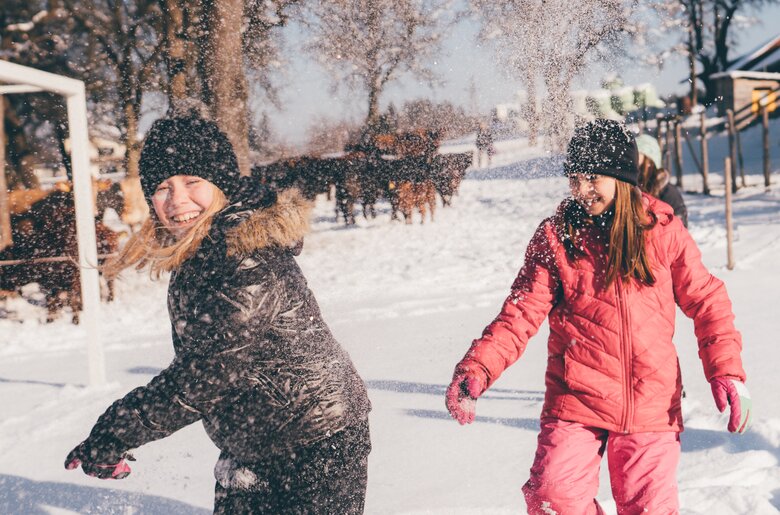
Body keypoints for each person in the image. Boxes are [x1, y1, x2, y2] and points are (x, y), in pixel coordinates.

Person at [64, 113, 372, 514]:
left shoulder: (241, 256)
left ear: (221, 184)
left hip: (314, 438)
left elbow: (209, 372)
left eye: (192, 182)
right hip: (256, 437)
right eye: (162, 187)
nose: (177, 200)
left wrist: (118, 430)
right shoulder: (206, 248)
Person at [445, 119, 750, 514]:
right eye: (574, 179)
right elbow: (520, 313)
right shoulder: (557, 239)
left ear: (621, 178)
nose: (581, 190)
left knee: (650, 508)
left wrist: (726, 370)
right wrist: (479, 367)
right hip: (576, 399)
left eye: (592, 178)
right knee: (552, 497)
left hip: (650, 402)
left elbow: (708, 300)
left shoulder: (662, 232)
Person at [635, 133, 688, 227]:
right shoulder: (631, 185)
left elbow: (679, 230)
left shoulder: (668, 192)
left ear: (649, 156)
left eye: (637, 152)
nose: (633, 156)